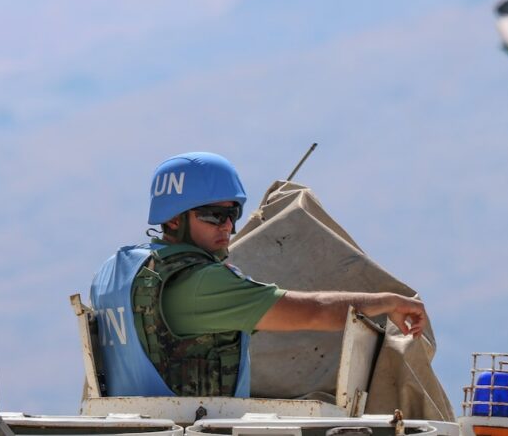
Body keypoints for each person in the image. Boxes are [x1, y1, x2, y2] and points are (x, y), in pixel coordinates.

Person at [91, 152, 427, 398]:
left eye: (232, 214)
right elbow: (313, 312)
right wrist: (386, 301)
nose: (228, 227)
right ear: (173, 220)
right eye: (213, 215)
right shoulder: (202, 283)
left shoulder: (113, 273)